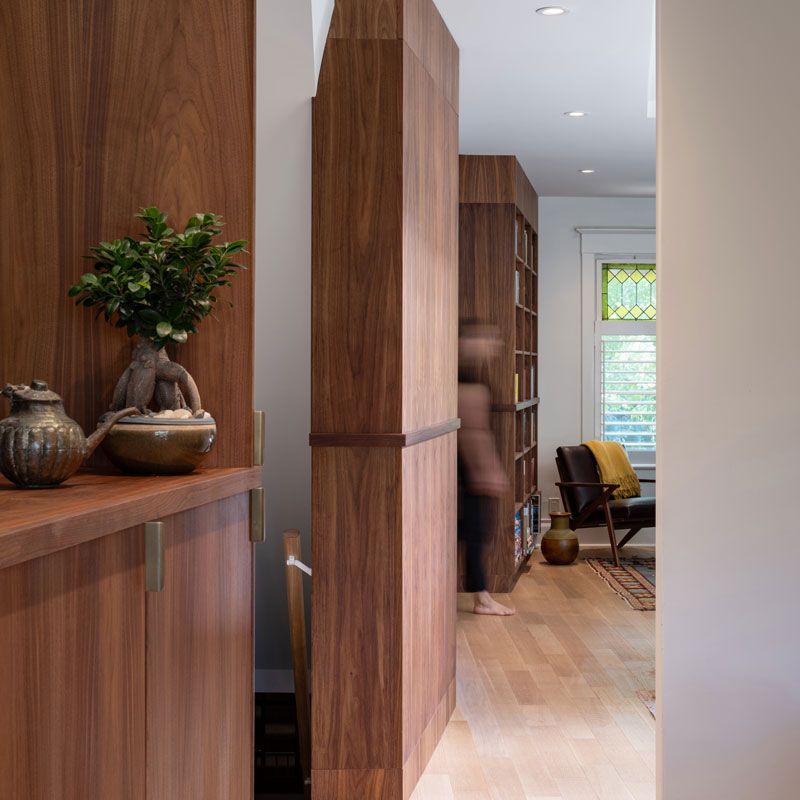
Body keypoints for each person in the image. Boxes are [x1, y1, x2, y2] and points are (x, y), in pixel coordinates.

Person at [457, 322, 515, 616]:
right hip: (469, 473)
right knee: (476, 533)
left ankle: (482, 596)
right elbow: (471, 432)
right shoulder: (463, 381)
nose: (492, 345)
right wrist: (486, 472)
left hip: (473, 472)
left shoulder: (476, 378)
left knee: (476, 534)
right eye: (485, 339)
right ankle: (482, 599)